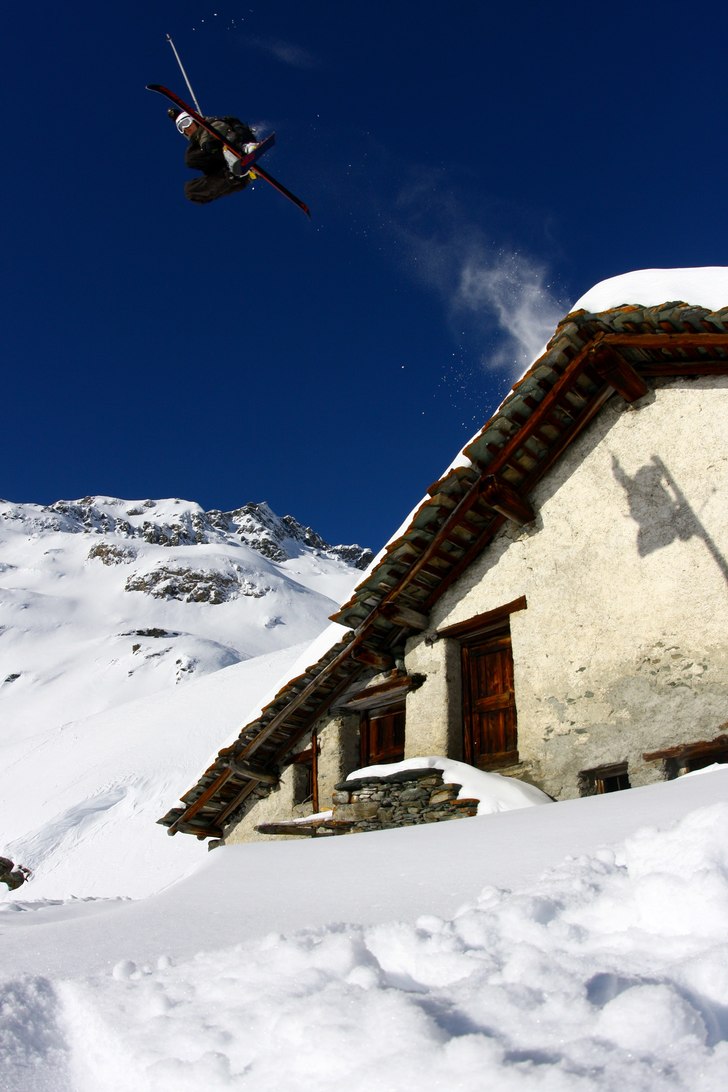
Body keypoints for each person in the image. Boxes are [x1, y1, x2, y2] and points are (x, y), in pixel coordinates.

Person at [169, 109, 259, 205]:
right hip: (232, 177)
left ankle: (245, 150)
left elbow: (220, 127)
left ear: (194, 120)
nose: (185, 128)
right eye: (181, 128)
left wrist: (209, 143)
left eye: (186, 123)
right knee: (190, 191)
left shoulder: (211, 124)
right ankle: (234, 175)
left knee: (196, 154)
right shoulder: (196, 146)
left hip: (234, 146)